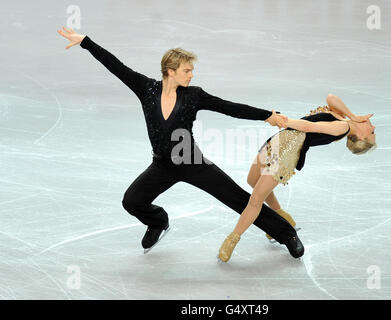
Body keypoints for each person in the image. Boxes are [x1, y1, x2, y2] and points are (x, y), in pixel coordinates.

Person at [56, 27, 305, 259]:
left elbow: (228, 107)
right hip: (162, 166)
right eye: (187, 70)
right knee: (131, 201)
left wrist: (267, 115)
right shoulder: (147, 89)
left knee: (238, 199)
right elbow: (117, 67)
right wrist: (85, 43)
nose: (192, 74)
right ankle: (157, 222)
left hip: (192, 163)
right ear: (170, 70)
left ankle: (286, 233)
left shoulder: (193, 95)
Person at [218, 94, 376, 262]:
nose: (372, 126)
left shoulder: (342, 128)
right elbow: (331, 98)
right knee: (252, 180)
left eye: (372, 132)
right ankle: (281, 215)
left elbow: (308, 127)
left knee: (256, 199)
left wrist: (283, 121)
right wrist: (354, 116)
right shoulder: (343, 119)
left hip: (288, 151)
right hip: (281, 140)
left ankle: (232, 239)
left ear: (361, 136)